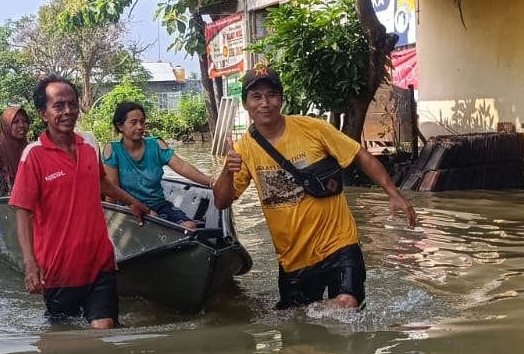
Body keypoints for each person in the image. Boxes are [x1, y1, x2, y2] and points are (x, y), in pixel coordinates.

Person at [213, 65, 417, 310]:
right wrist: (227, 170)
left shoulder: (313, 129)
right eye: (256, 96)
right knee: (295, 324)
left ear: (281, 100)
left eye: (271, 95)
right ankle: (307, 313)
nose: (264, 103)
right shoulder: (242, 150)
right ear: (245, 104)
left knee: (348, 305)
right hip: (294, 259)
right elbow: (222, 201)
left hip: (339, 243)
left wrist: (393, 193)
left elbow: (358, 154)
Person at [9, 75, 146, 329]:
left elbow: (101, 182)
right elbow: (23, 212)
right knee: (62, 344)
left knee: (104, 331)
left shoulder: (89, 144)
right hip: (59, 269)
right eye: (58, 106)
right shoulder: (34, 155)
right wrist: (30, 264)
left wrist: (132, 202)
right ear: (43, 114)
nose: (68, 112)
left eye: (72, 104)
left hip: (98, 262)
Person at [101, 100, 216, 227]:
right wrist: (109, 221)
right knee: (152, 218)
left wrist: (212, 183)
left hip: (159, 204)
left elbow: (182, 166)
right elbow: (112, 190)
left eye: (142, 122)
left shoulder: (155, 144)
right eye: (133, 123)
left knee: (190, 226)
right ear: (120, 126)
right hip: (129, 207)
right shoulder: (112, 150)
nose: (140, 127)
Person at [0, 104, 30, 200]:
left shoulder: (31, 149)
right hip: (2, 200)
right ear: (6, 125)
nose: (21, 125)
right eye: (15, 122)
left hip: (25, 199)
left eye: (25, 121)